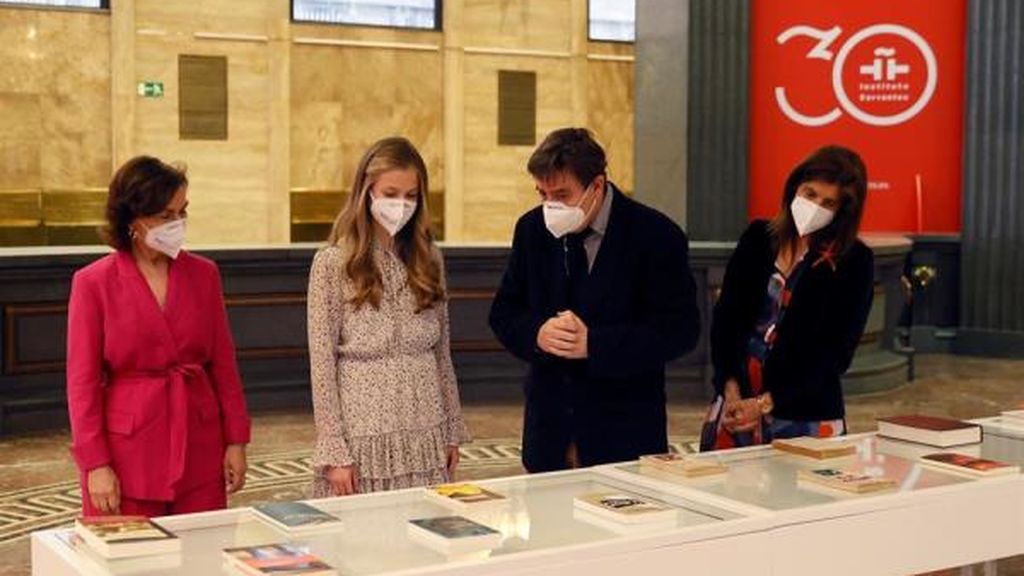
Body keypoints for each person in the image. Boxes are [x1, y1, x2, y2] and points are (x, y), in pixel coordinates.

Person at [489, 127, 700, 472]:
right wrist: (537, 334)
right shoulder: (531, 230)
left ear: (597, 185)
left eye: (562, 194)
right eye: (542, 193)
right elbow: (504, 313)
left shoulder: (657, 235)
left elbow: (680, 331)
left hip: (624, 434)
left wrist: (596, 344)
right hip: (549, 433)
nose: (550, 205)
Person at [66, 156, 250, 517]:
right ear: (132, 218)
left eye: (183, 213)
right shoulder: (93, 283)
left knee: (201, 562)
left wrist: (236, 440)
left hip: (199, 441)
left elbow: (224, 365)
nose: (178, 224)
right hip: (127, 451)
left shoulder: (204, 275)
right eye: (166, 216)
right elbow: (82, 383)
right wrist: (95, 464)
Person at [307, 136, 469, 496]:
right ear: (367, 192)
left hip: (426, 430)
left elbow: (443, 354)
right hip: (363, 436)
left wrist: (452, 428)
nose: (401, 204)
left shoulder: (430, 259)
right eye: (391, 193)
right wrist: (334, 449)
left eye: (411, 196)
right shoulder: (333, 263)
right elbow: (322, 363)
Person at [701, 145, 874, 450]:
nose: (815, 206)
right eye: (810, 194)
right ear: (795, 188)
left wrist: (766, 403)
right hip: (735, 403)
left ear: (841, 211)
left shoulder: (854, 261)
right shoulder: (758, 238)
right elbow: (725, 320)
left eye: (828, 202)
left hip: (803, 414)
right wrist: (731, 391)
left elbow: (835, 353)